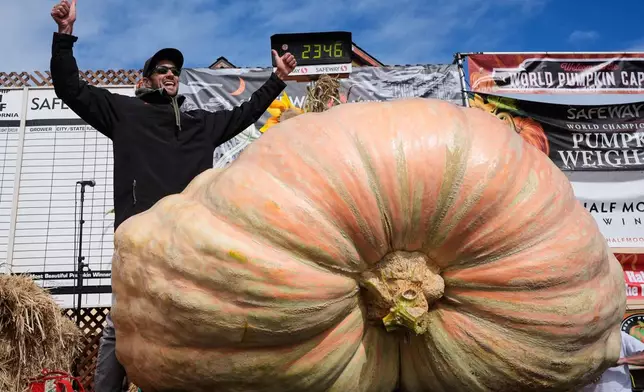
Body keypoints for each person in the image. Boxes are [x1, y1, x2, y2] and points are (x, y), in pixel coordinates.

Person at [49, 1, 297, 391]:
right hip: (139, 239)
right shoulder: (123, 112)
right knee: (122, 324)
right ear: (146, 79)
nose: (170, 75)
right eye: (162, 70)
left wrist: (277, 80)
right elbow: (69, 88)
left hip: (189, 245)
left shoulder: (200, 124)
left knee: (194, 327)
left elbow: (246, 112)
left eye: (175, 71)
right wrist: (65, 34)